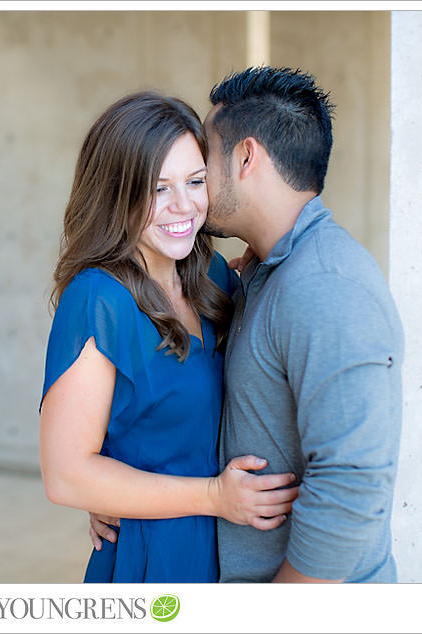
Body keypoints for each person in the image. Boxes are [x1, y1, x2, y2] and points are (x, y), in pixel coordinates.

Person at [91, 67, 404, 583]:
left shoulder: (327, 287)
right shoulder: (253, 273)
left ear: (245, 157)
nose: (194, 187)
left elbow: (352, 490)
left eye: (203, 164)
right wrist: (113, 489)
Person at [39, 91, 299, 583]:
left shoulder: (213, 275)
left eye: (195, 181)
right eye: (158, 189)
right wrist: (213, 497)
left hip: (234, 550)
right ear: (118, 193)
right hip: (158, 556)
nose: (184, 206)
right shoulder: (99, 300)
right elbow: (66, 474)